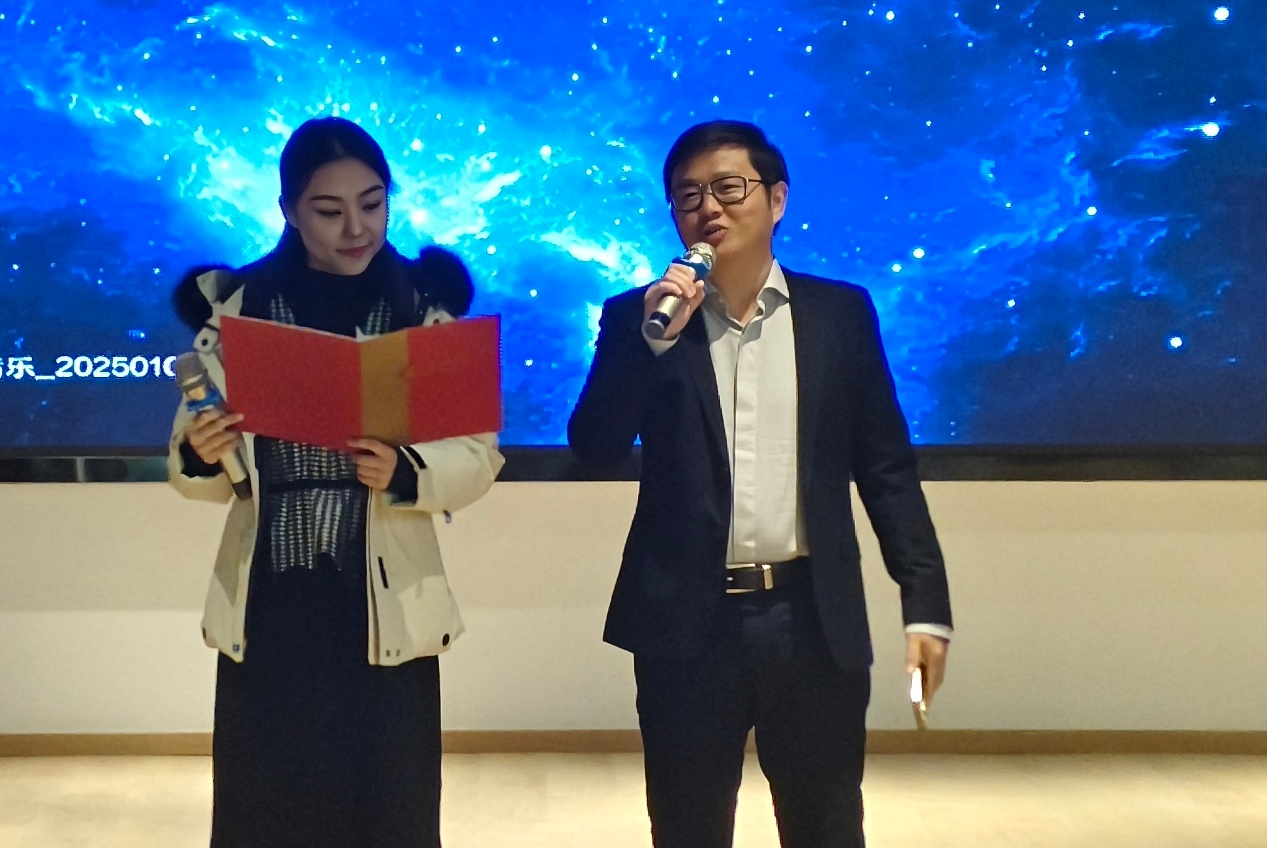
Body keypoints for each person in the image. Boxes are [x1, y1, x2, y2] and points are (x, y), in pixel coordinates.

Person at [567, 120, 953, 848]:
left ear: (776, 200)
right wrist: (651, 344)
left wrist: (924, 603)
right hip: (687, 624)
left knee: (825, 824)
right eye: (688, 196)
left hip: (810, 619)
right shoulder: (639, 319)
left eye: (727, 188)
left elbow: (886, 468)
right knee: (686, 826)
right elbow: (593, 447)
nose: (707, 208)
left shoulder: (839, 315)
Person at [167, 116, 504, 848]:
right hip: (269, 608)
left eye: (372, 203)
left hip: (386, 608)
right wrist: (202, 452)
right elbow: (193, 474)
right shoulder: (239, 312)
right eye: (328, 209)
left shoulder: (425, 313)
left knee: (388, 813)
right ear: (289, 210)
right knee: (266, 814)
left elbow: (478, 459)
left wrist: (407, 471)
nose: (357, 228)